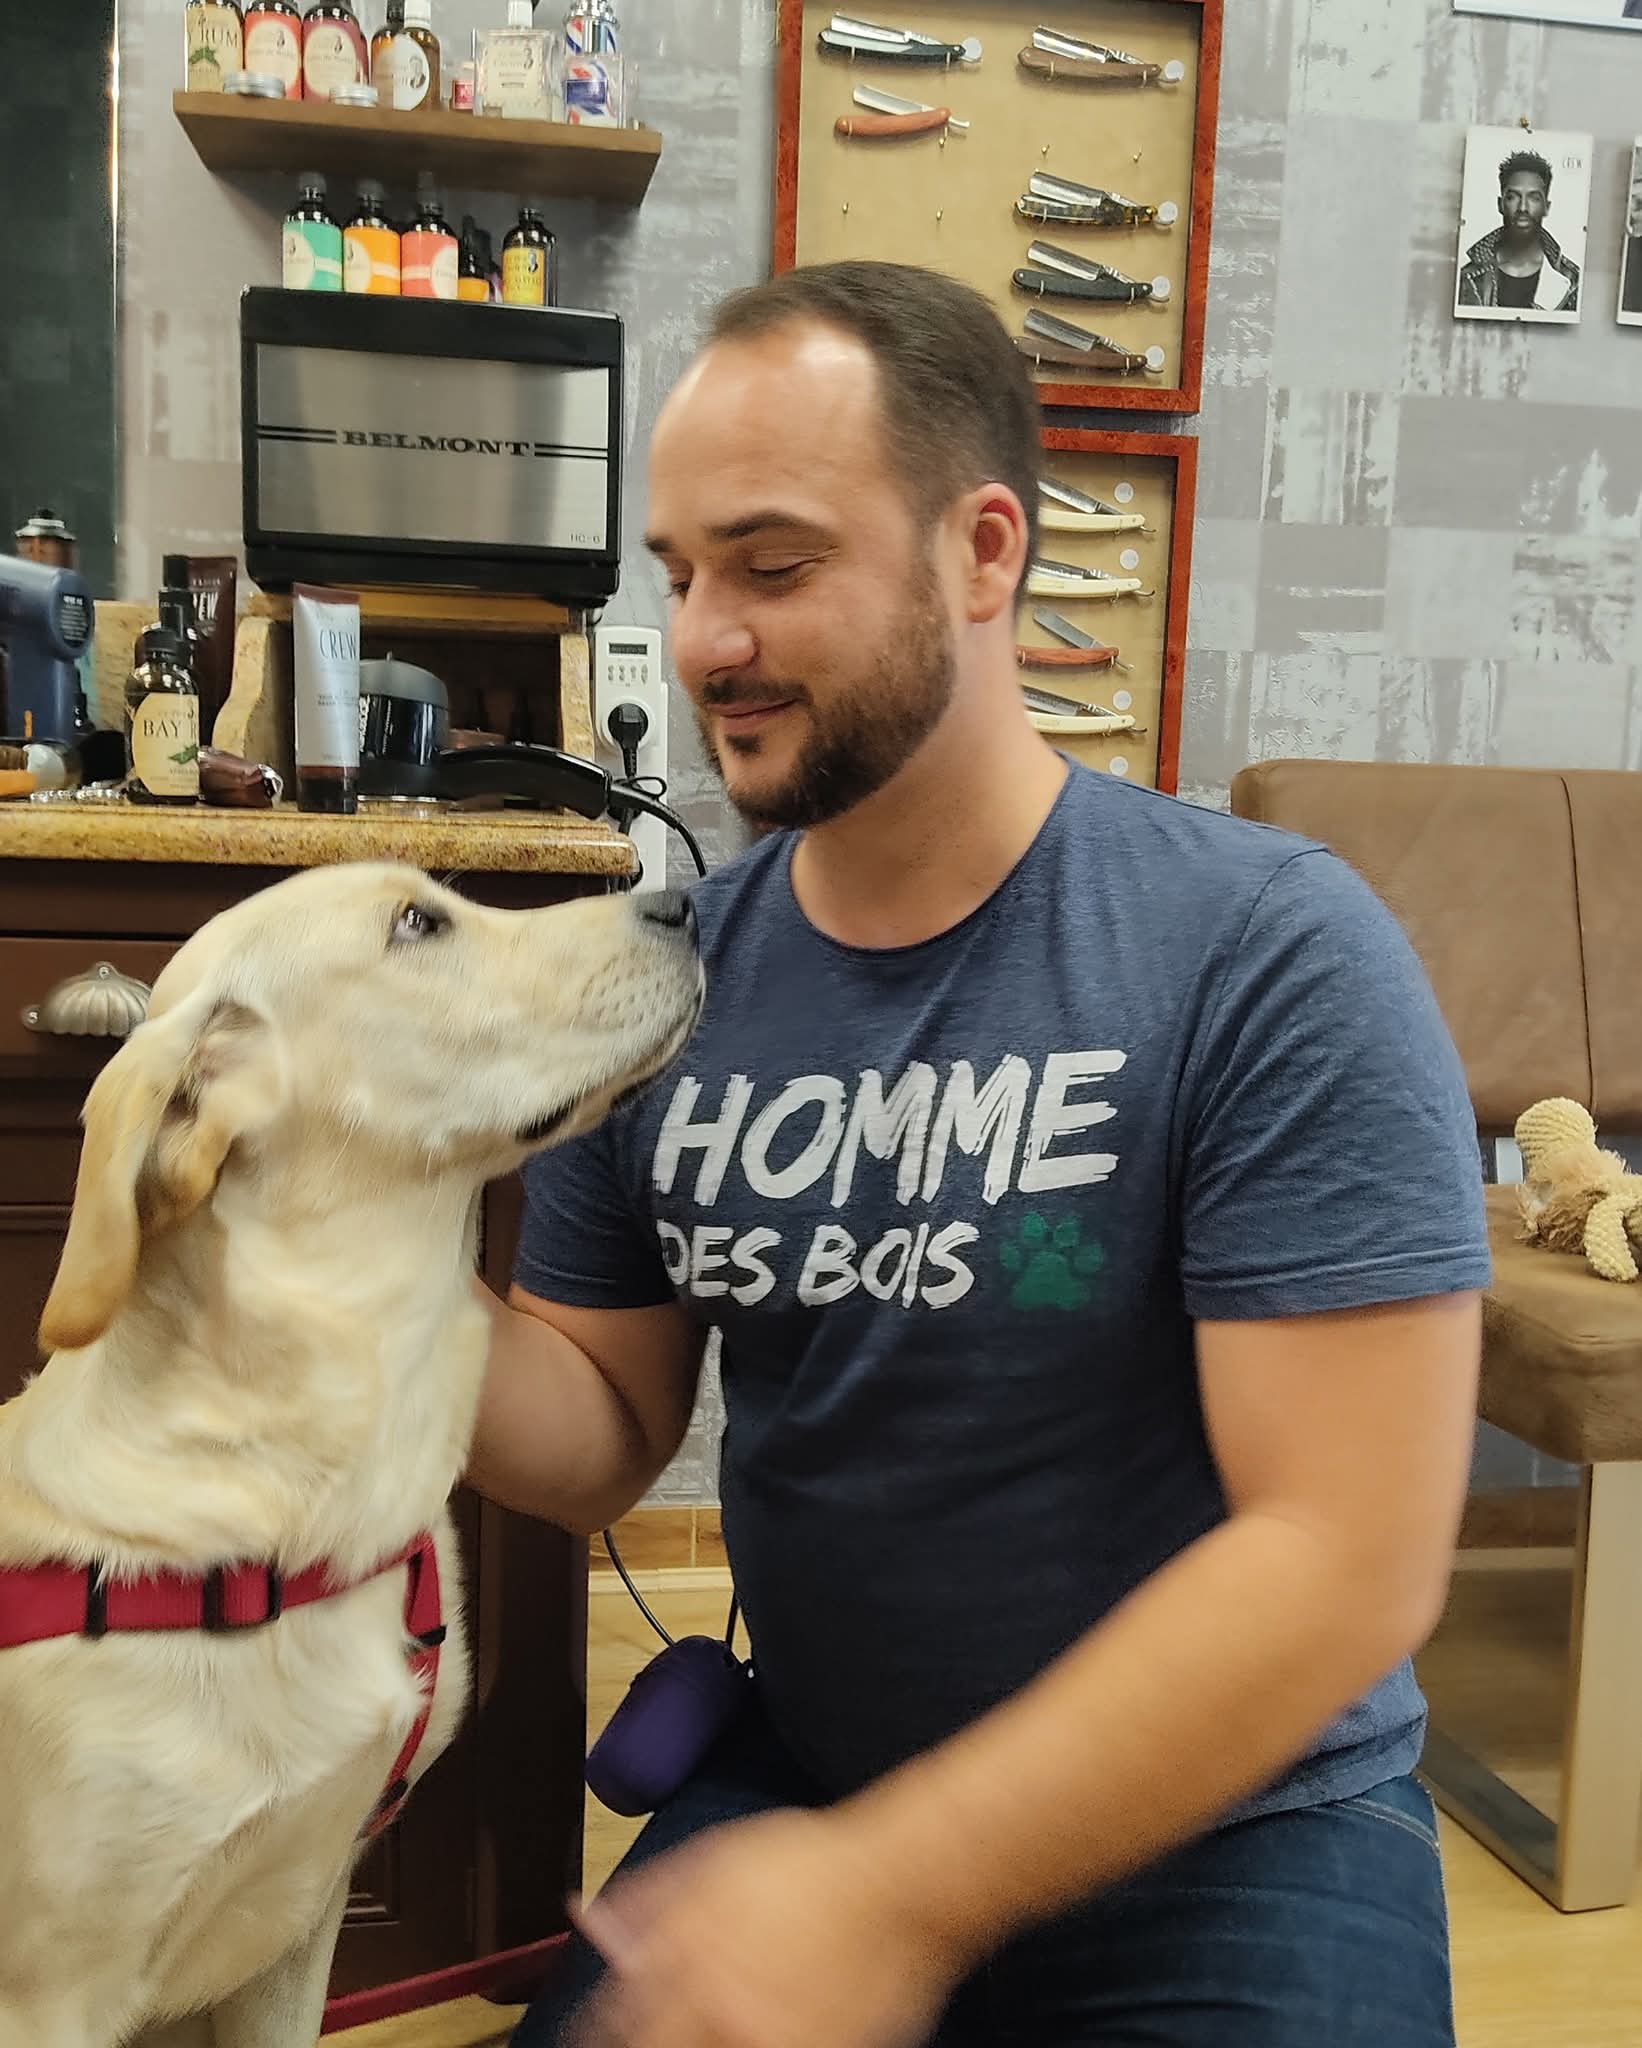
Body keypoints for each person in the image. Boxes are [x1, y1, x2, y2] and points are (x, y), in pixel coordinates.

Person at [469, 259, 1491, 2048]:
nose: (706, 637)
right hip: (828, 1774)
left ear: (985, 552)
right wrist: (345, 1274)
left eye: (772, 566)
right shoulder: (660, 979)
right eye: (681, 573)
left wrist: (893, 1891)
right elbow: (597, 1432)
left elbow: (1343, 1551)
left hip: (1237, 1820)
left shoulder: (1264, 952)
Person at [1458, 148, 1580, 313]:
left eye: (1534, 198)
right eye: (1513, 197)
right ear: (1500, 204)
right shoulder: (1468, 277)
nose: (1523, 207)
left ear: (1546, 207)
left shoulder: (1572, 280)